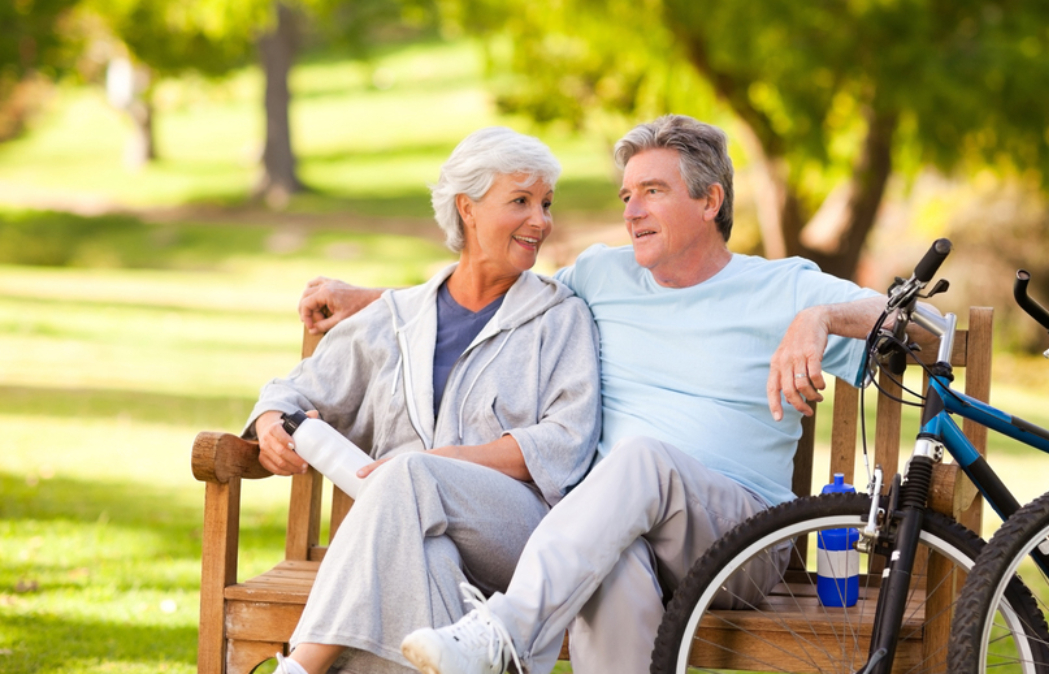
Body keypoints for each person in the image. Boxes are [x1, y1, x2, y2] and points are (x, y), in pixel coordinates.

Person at [301, 115, 889, 674]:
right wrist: (376, 299)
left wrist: (822, 318)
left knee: (643, 458)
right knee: (609, 565)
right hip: (614, 530)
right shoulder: (604, 276)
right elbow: (493, 291)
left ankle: (501, 633)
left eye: (652, 191)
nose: (632, 211)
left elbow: (920, 326)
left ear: (710, 201)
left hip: (738, 543)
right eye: (626, 196)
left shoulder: (782, 287)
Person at [247, 127, 602, 674]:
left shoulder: (559, 317)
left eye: (546, 203)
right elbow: (291, 390)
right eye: (521, 201)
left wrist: (441, 463)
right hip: (414, 544)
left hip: (518, 540)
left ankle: (299, 666)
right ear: (468, 209)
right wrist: (271, 421)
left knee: (410, 476)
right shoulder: (394, 320)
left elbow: (566, 442)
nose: (542, 221)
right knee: (418, 561)